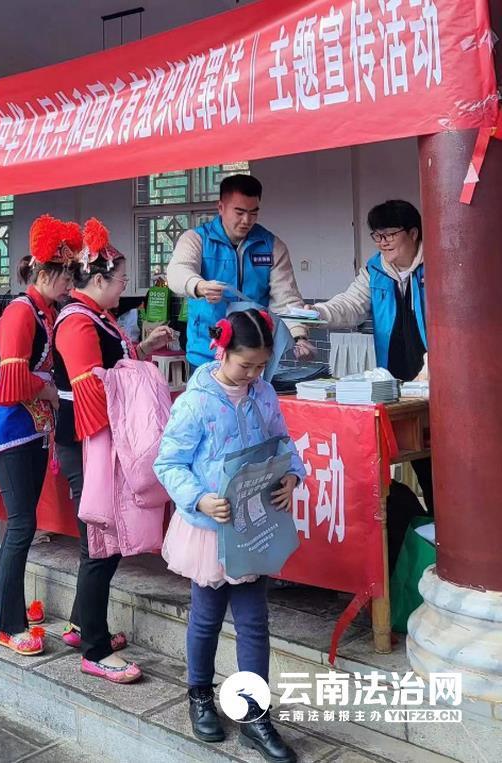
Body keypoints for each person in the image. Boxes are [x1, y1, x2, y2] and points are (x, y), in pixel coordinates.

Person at [154, 309, 303, 762]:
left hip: (253, 525)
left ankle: (255, 716)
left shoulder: (263, 394)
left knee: (254, 621)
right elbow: (168, 463)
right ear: (221, 352)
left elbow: (283, 442)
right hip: (210, 528)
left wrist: (292, 476)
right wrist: (199, 499)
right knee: (206, 616)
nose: (253, 375)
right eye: (245, 365)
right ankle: (200, 695)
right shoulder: (196, 402)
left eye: (261, 366)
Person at [53, 218, 173, 683]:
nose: (125, 284)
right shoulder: (77, 321)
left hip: (101, 440)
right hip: (91, 443)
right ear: (99, 279)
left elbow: (113, 369)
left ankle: (82, 625)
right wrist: (123, 447)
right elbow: (93, 391)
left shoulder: (98, 317)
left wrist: (142, 348)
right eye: (121, 277)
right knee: (99, 544)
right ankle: (95, 650)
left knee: (104, 543)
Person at [0, 214, 78, 654]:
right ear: (44, 274)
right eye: (65, 276)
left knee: (22, 521)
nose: (70, 284)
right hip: (13, 430)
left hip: (32, 428)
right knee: (22, 523)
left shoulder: (45, 312)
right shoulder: (21, 313)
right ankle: (9, 623)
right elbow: (11, 381)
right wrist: (47, 391)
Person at [310, 200, 432, 511]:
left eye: (390, 234)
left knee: (442, 463)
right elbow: (349, 305)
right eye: (377, 236)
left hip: (435, 379)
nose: (383, 242)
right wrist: (315, 313)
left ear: (414, 233)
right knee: (417, 459)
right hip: (398, 385)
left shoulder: (436, 263)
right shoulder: (375, 270)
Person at [166, 174, 315, 371]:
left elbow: (286, 297)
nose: (247, 220)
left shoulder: (271, 246)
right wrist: (199, 286)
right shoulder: (196, 239)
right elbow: (177, 272)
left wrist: (299, 335)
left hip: (253, 358)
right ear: (221, 207)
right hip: (206, 355)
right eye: (239, 212)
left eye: (253, 213)